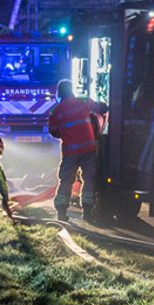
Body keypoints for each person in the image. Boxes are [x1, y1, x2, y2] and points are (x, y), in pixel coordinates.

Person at [47, 79, 107, 222]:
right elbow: (102, 109)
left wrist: (66, 133)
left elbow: (53, 131)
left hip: (70, 152)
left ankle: (61, 213)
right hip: (88, 148)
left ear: (59, 92)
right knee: (89, 179)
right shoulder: (83, 101)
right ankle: (87, 212)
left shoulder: (56, 110)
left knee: (66, 180)